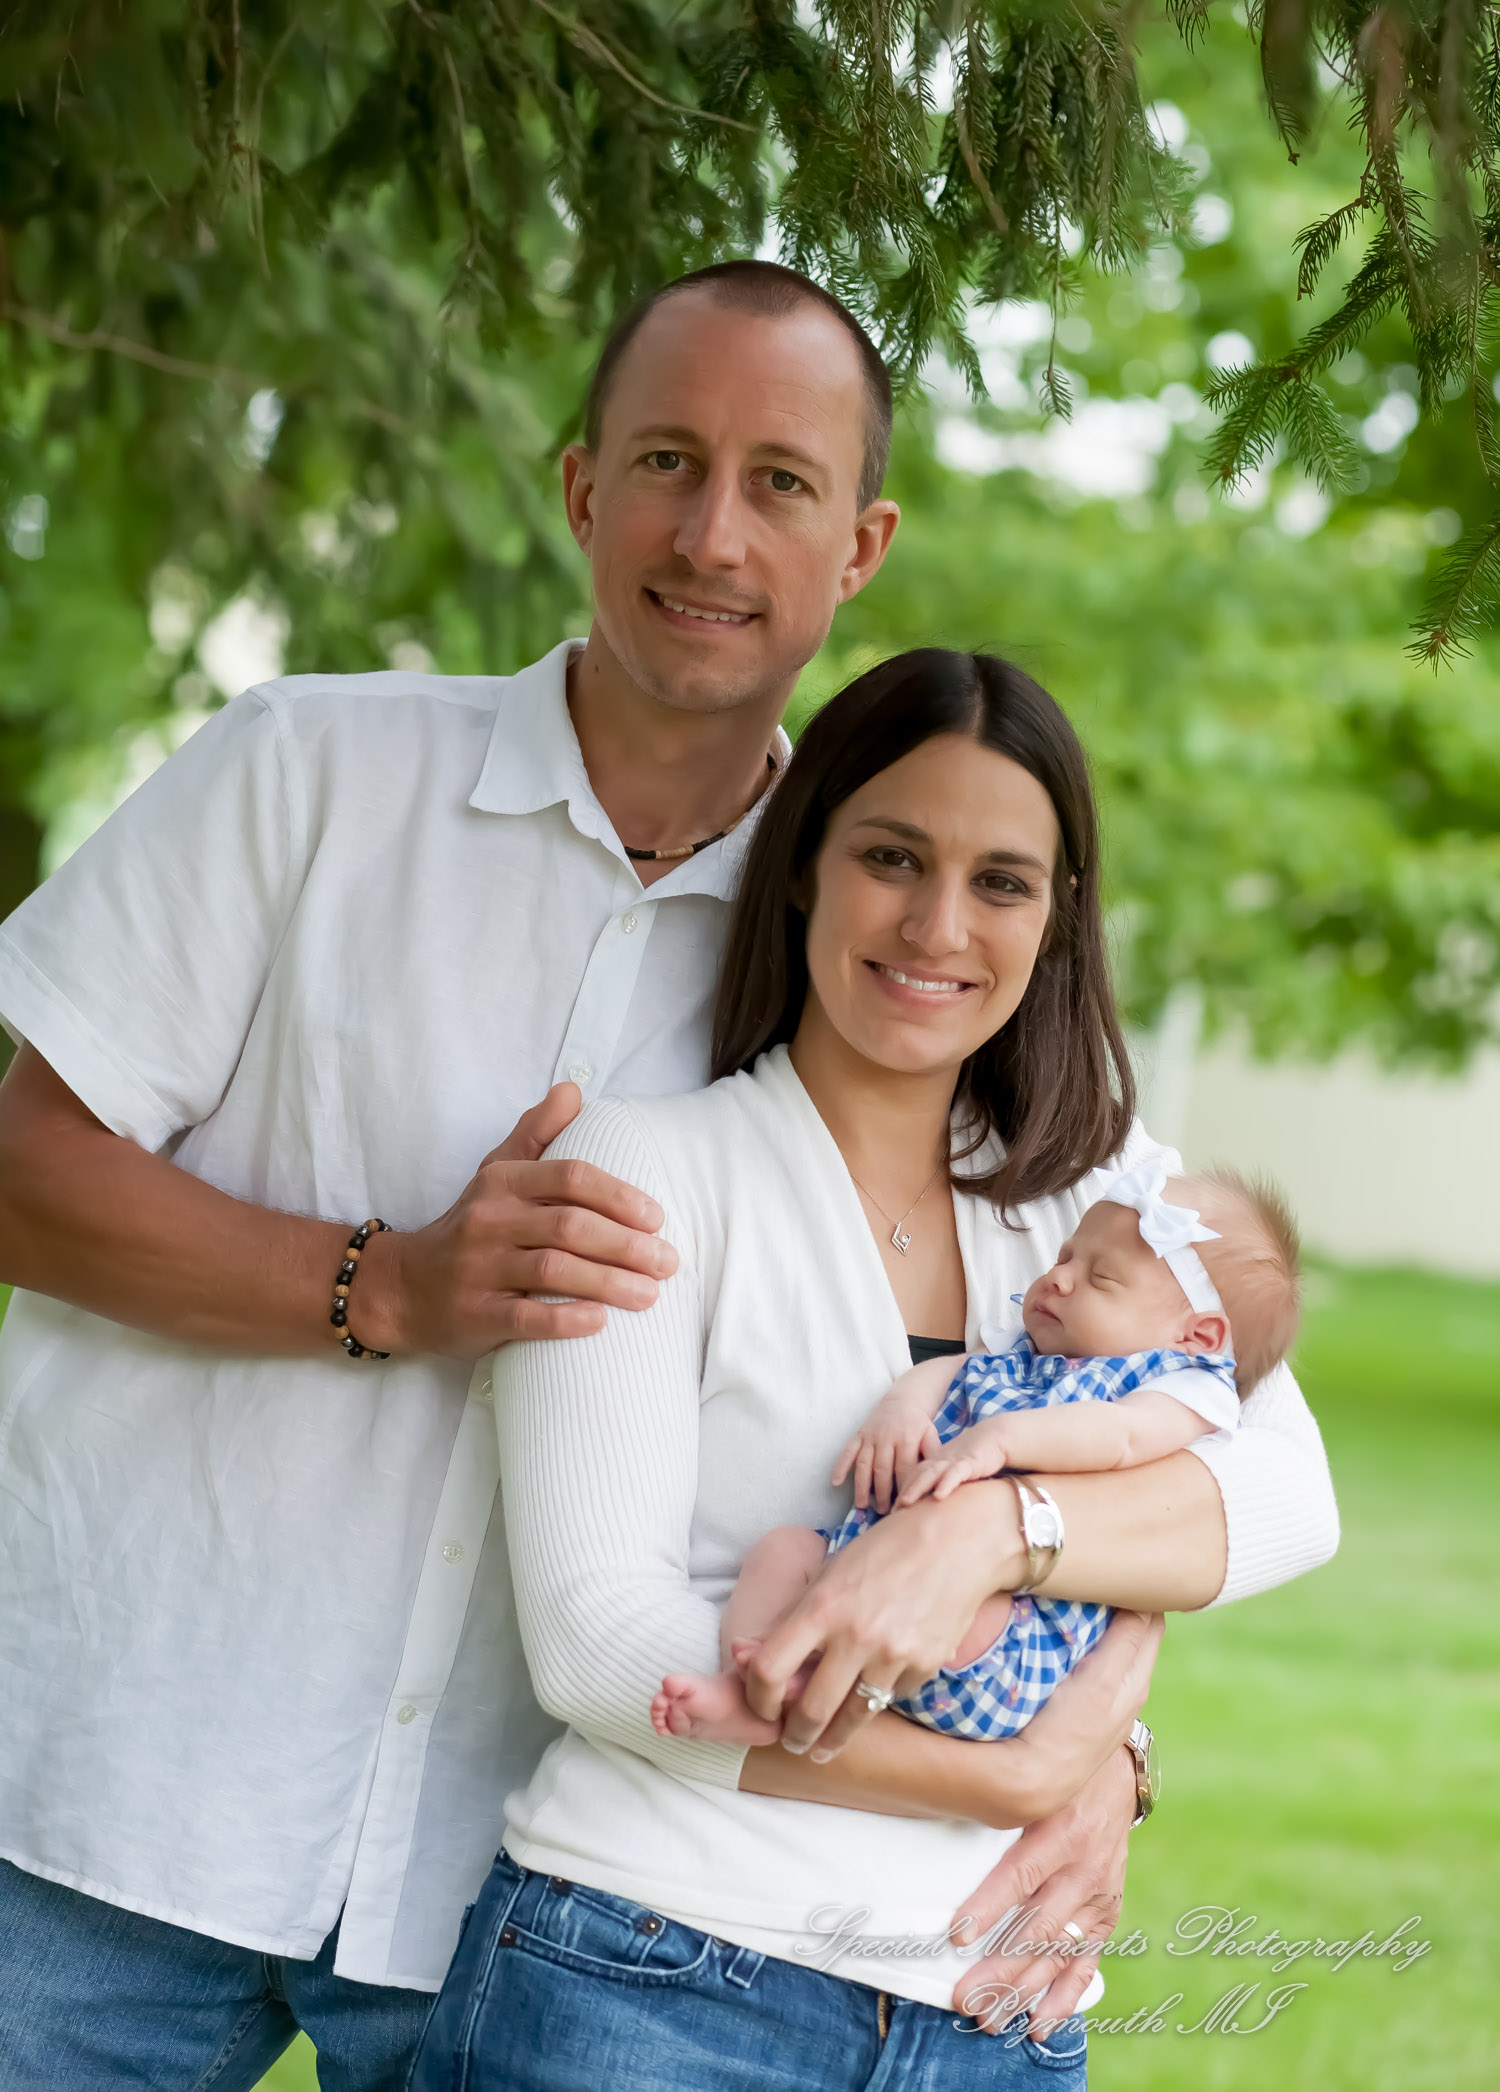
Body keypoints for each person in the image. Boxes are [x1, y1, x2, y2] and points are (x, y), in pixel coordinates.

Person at [0, 263, 1271, 2088]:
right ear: (583, 485)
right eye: (668, 460)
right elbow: (25, 1169)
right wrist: (391, 1286)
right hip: (115, 1799)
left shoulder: (878, 932)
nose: (712, 529)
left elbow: (1206, 1390)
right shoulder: (308, 773)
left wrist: (1104, 1723)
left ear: (862, 543)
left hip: (518, 1883)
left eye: (782, 482)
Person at [407, 649, 1339, 2092]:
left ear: (1059, 918)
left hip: (992, 2016)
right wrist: (1036, 1772)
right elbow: (601, 1646)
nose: (937, 925)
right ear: (804, 868)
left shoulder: (1108, 1207)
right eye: (892, 857)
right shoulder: (650, 1169)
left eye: (1003, 882)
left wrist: (988, 1530)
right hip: (650, 1981)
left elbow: (1287, 1491)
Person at [653, 1160, 1299, 1749]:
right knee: (783, 1552)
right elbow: (957, 1371)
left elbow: (1117, 1435)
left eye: (1101, 1278)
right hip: (864, 1570)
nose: (1060, 1278)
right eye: (1066, 1254)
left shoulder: (1179, 1388)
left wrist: (1000, 1440)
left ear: (1199, 1336)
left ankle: (796, 1694)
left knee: (959, 1605)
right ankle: (758, 1683)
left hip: (1006, 1623)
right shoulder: (1028, 1351)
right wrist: (902, 1409)